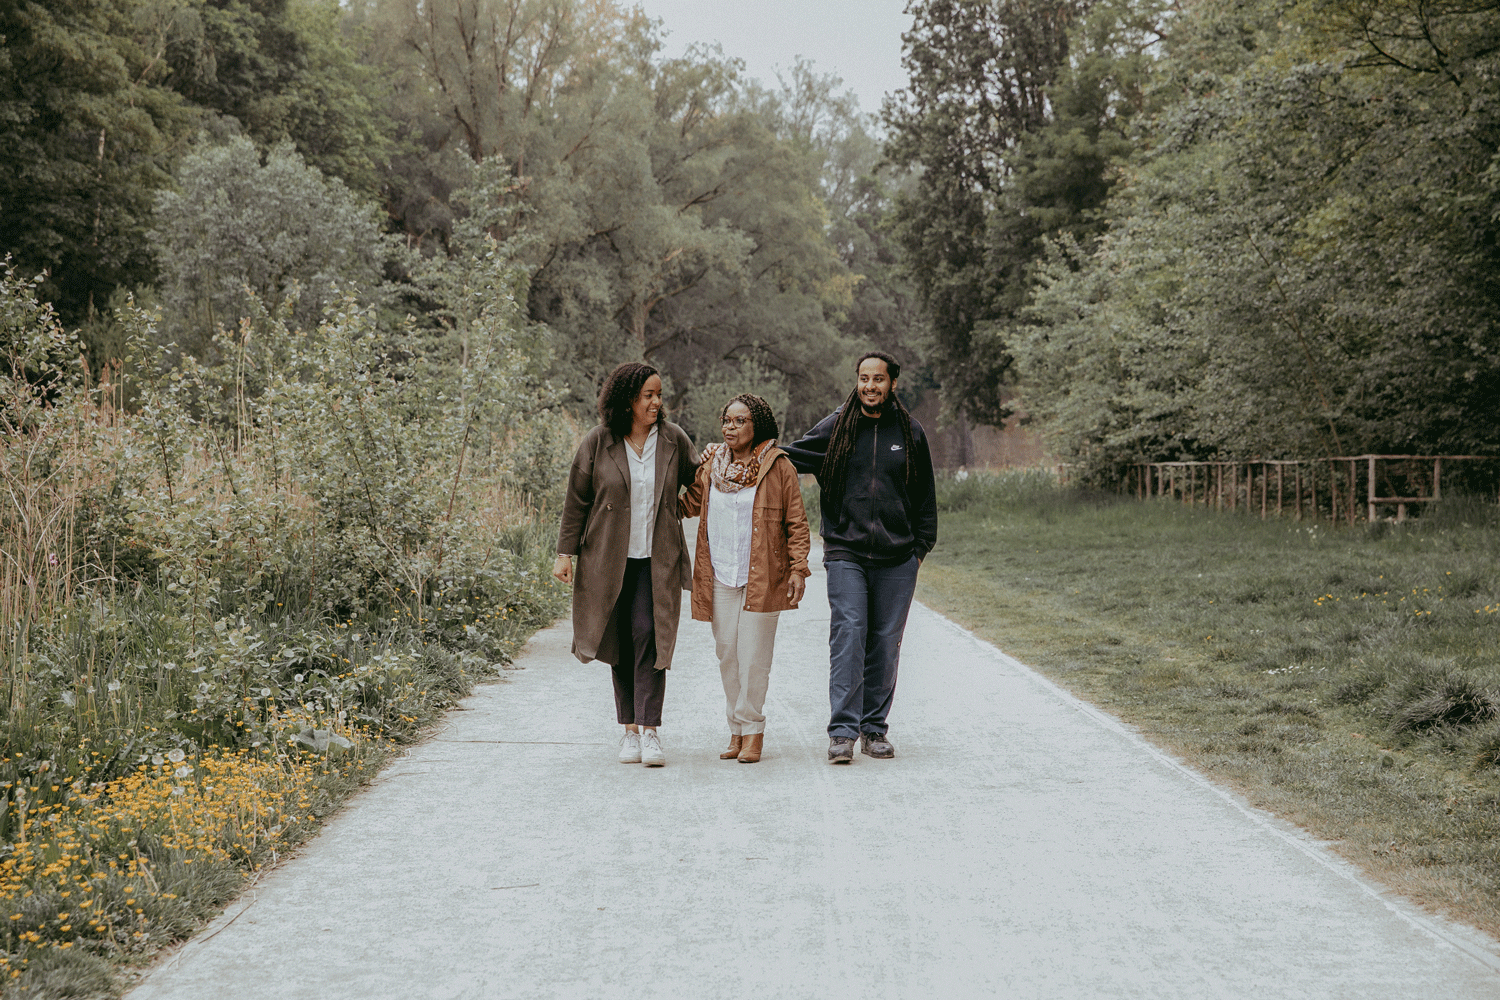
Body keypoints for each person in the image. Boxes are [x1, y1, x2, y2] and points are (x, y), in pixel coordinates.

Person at [781, 351, 937, 764]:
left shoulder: (910, 431)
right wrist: (742, 450)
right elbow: (789, 455)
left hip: (898, 557)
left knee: (885, 642)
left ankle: (874, 729)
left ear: (892, 384)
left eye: (879, 379)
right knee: (850, 633)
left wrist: (919, 549)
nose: (870, 386)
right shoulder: (837, 427)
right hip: (846, 550)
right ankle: (842, 732)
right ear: (857, 381)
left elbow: (925, 499)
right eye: (864, 378)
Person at [554, 362, 699, 767]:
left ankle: (650, 731)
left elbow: (700, 482)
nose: (656, 402)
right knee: (618, 642)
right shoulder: (598, 443)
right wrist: (564, 554)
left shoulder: (672, 440)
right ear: (627, 400)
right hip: (607, 561)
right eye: (648, 395)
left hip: (657, 560)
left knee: (649, 636)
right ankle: (629, 731)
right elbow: (577, 501)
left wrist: (678, 509)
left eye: (659, 394)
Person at [679, 393, 811, 763]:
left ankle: (753, 731)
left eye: (740, 421)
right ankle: (736, 730)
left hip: (763, 576)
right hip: (720, 573)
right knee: (727, 654)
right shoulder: (711, 467)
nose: (731, 427)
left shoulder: (777, 466)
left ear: (757, 426)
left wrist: (799, 567)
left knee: (753, 657)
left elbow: (796, 522)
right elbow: (686, 504)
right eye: (727, 421)